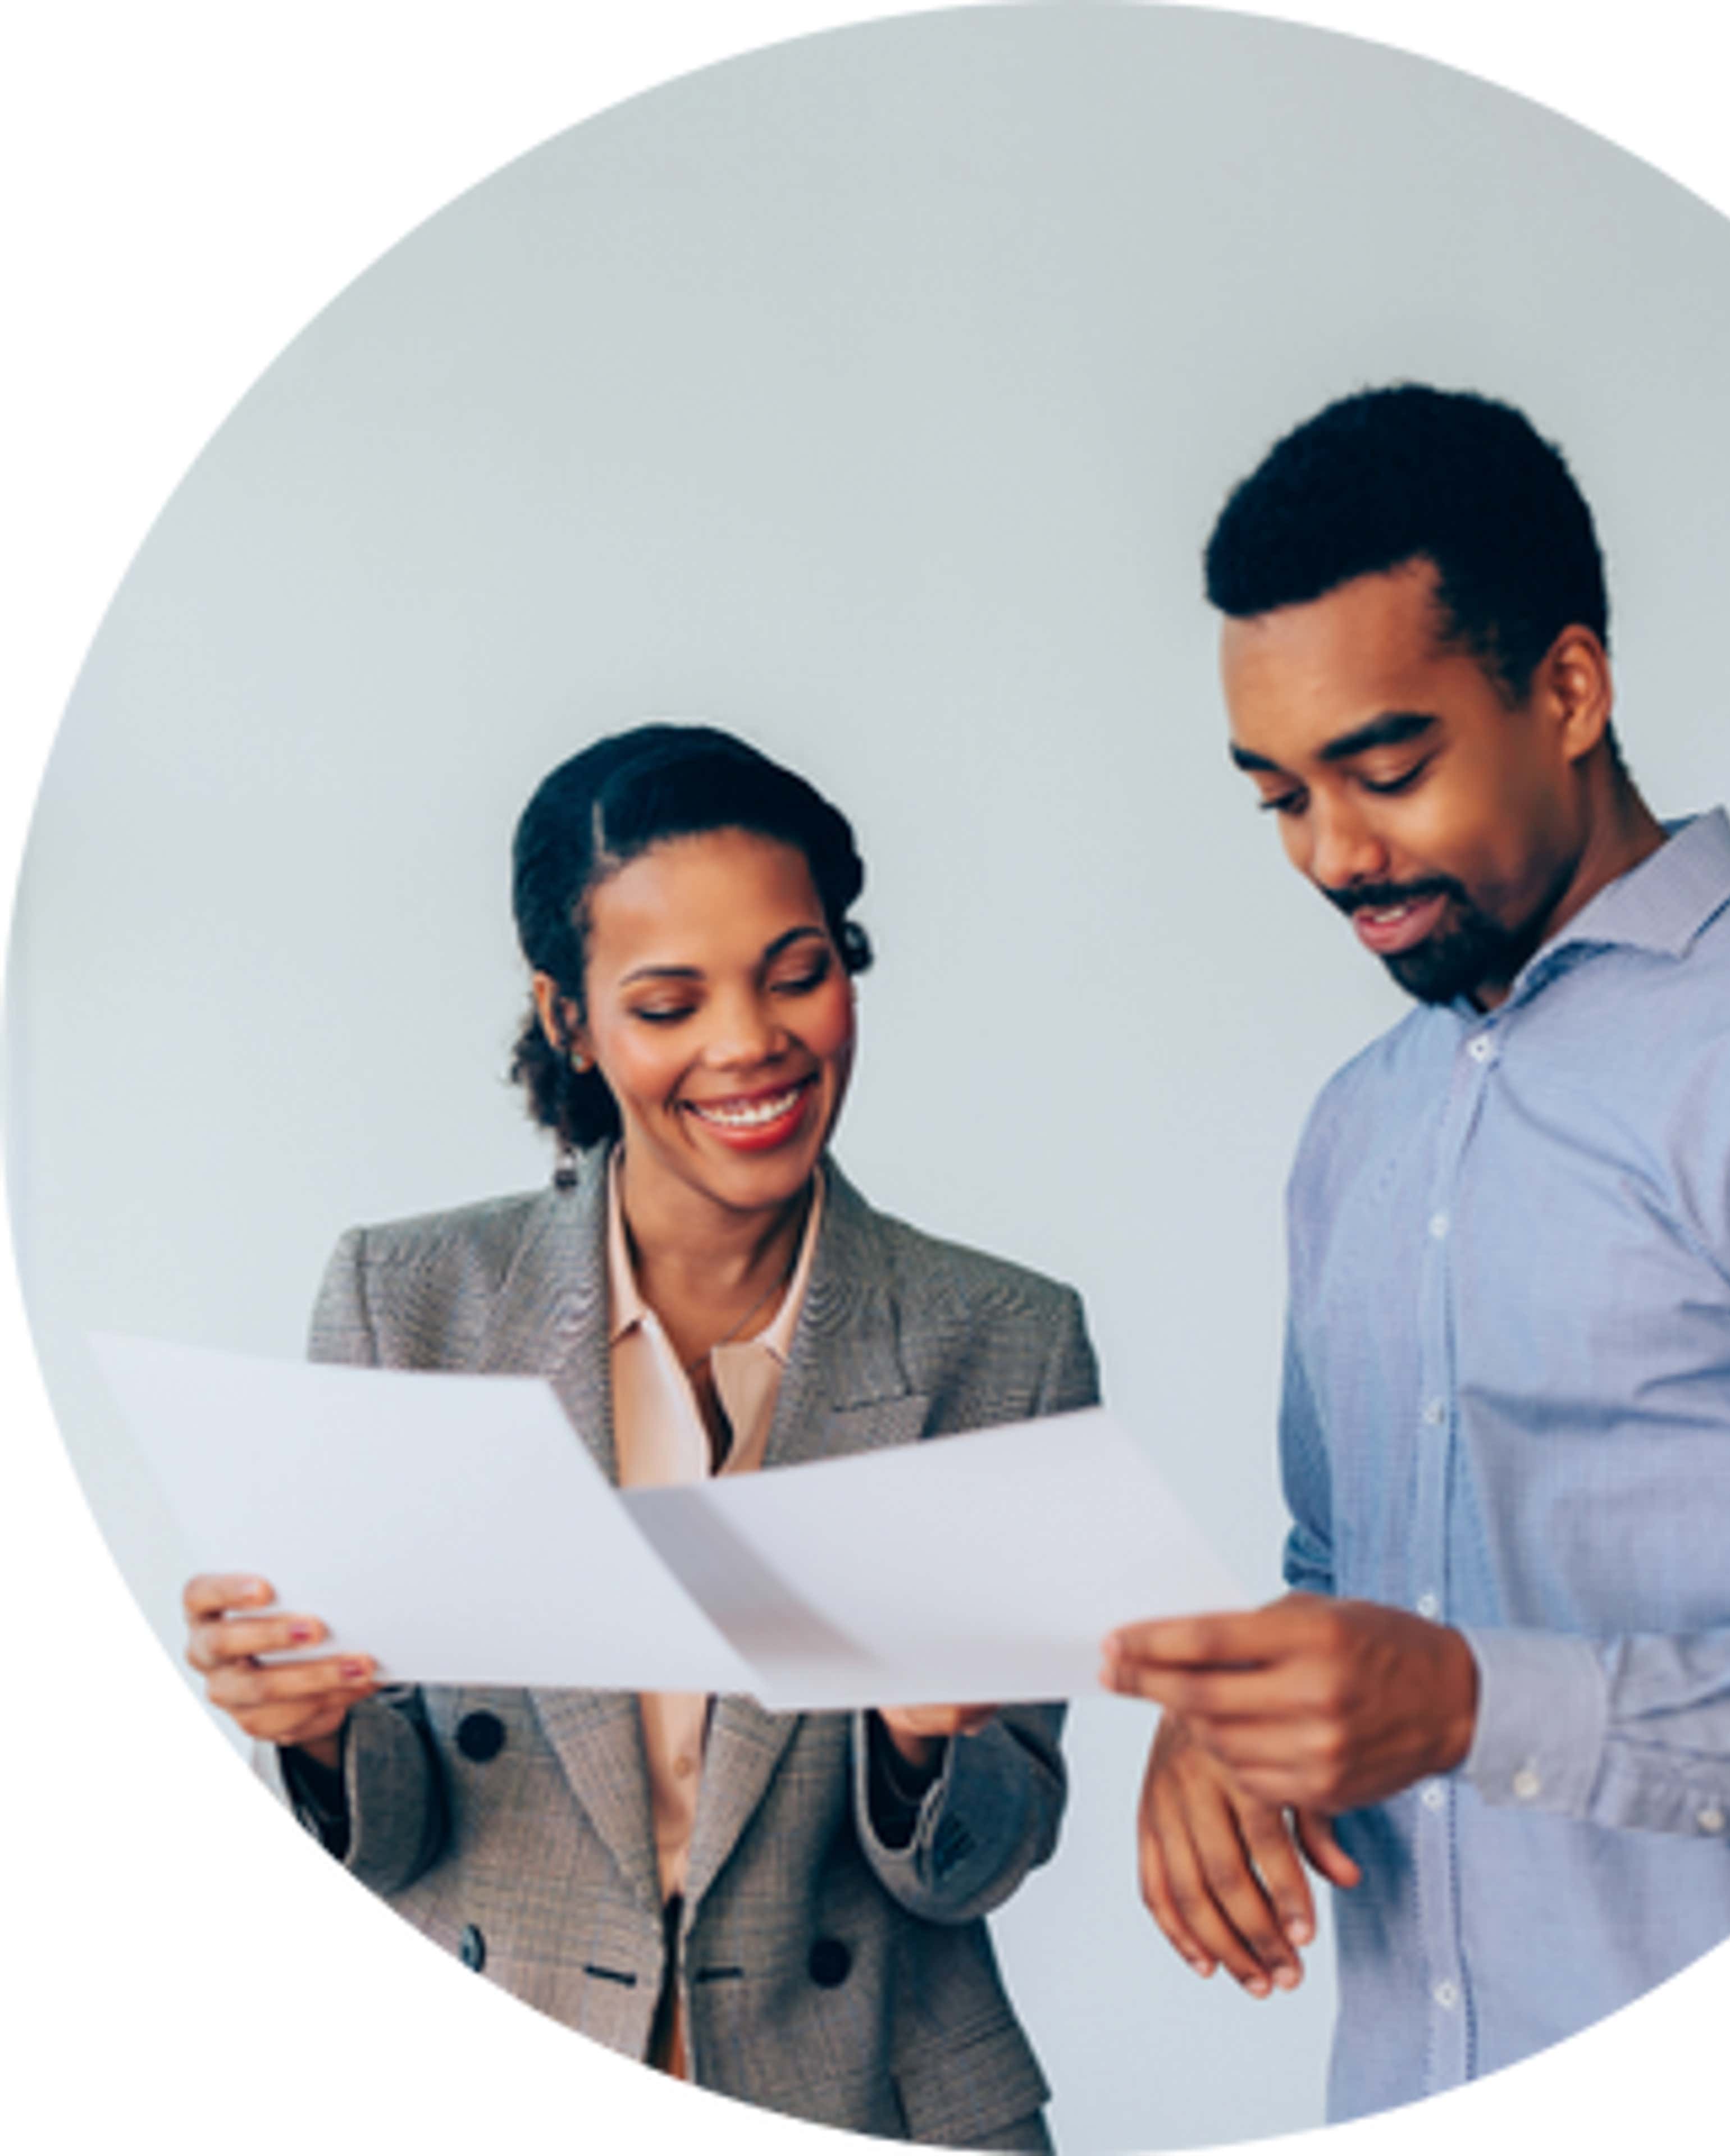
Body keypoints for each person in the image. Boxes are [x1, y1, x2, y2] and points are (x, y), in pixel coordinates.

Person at [1102, 385, 1730, 2118]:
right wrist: (1239, 1725)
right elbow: (1345, 1566)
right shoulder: (1359, 1126)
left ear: (1568, 689)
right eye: (1278, 797)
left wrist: (1485, 1704)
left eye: (1386, 770)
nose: (1335, 855)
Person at [183, 724, 1097, 2148]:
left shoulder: (1002, 1339)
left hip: (872, 2097)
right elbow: (397, 1833)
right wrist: (311, 1737)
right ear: (569, 1018)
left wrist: (924, 1751)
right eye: (669, 1002)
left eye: (797, 974)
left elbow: (981, 1864)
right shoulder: (405, 1303)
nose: (751, 1044)